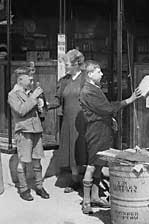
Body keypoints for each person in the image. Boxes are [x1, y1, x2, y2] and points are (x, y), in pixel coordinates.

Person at [79, 60, 141, 214]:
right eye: (98, 71)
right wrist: (129, 100)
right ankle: (86, 201)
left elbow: (100, 110)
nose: (101, 74)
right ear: (90, 74)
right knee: (92, 164)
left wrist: (110, 119)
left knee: (100, 163)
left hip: (103, 129)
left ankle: (95, 196)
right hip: (96, 131)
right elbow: (105, 108)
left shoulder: (94, 88)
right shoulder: (88, 91)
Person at [8, 66, 50, 201]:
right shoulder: (12, 95)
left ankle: (39, 186)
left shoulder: (29, 92)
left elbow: (39, 112)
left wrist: (41, 105)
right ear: (20, 79)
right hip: (24, 131)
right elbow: (21, 110)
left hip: (36, 129)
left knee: (37, 160)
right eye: (29, 77)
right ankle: (23, 188)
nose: (32, 80)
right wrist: (33, 98)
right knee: (24, 160)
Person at [48, 49, 87, 193]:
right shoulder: (64, 81)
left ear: (77, 63)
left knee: (84, 149)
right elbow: (56, 100)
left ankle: (89, 181)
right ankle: (75, 180)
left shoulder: (86, 78)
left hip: (84, 120)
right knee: (71, 150)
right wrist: (44, 105)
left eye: (68, 64)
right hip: (68, 121)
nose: (66, 67)